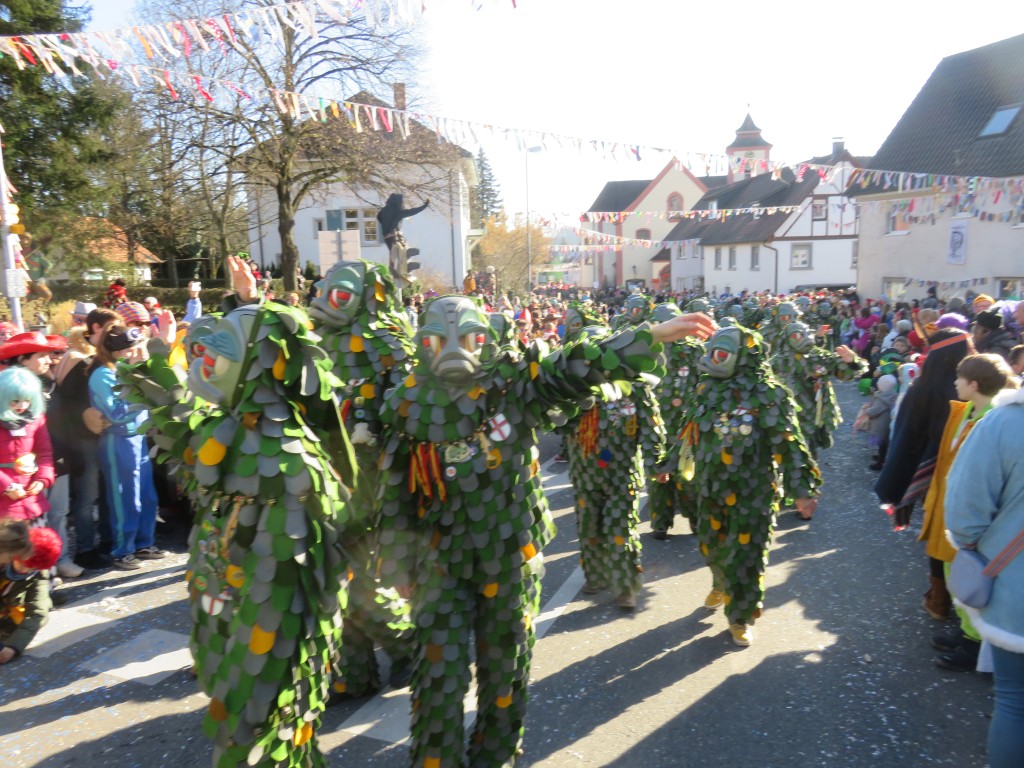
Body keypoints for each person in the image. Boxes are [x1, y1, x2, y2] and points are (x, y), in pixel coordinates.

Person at [919, 354, 1016, 672]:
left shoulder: (995, 421)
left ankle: (975, 644)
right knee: (957, 573)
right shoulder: (963, 411)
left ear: (973, 384)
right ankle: (966, 631)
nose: (955, 382)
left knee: (977, 578)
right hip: (954, 510)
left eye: (959, 378)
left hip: (978, 520)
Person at [945, 378, 1024, 768]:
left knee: (1015, 700)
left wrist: (980, 548)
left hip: (1016, 591)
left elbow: (964, 516)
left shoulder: (1005, 422)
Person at [876, 329, 972, 613]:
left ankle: (940, 597)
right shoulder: (976, 386)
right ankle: (957, 597)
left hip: (937, 475)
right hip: (965, 473)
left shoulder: (923, 389)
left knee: (939, 531)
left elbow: (905, 438)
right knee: (962, 535)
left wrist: (898, 479)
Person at [88, 324, 164, 570]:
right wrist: (138, 389)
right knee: (125, 498)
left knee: (147, 496)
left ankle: (143, 543)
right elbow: (116, 414)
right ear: (116, 350)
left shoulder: (126, 370)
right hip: (118, 440)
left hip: (137, 438)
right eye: (130, 349)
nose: (135, 352)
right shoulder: (103, 375)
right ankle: (122, 550)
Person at [0, 367, 55, 528]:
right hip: (5, 502)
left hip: (31, 498)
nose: (22, 405)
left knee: (36, 541)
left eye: (27, 400)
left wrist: (42, 480)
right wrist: (6, 486)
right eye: (15, 400)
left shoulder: (36, 419)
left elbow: (45, 453)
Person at [0, 526, 62, 664]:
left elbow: (37, 614)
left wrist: (13, 647)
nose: (25, 571)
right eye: (24, 563)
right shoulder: (3, 558)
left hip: (8, 606)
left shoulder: (38, 573)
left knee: (40, 608)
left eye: (32, 568)